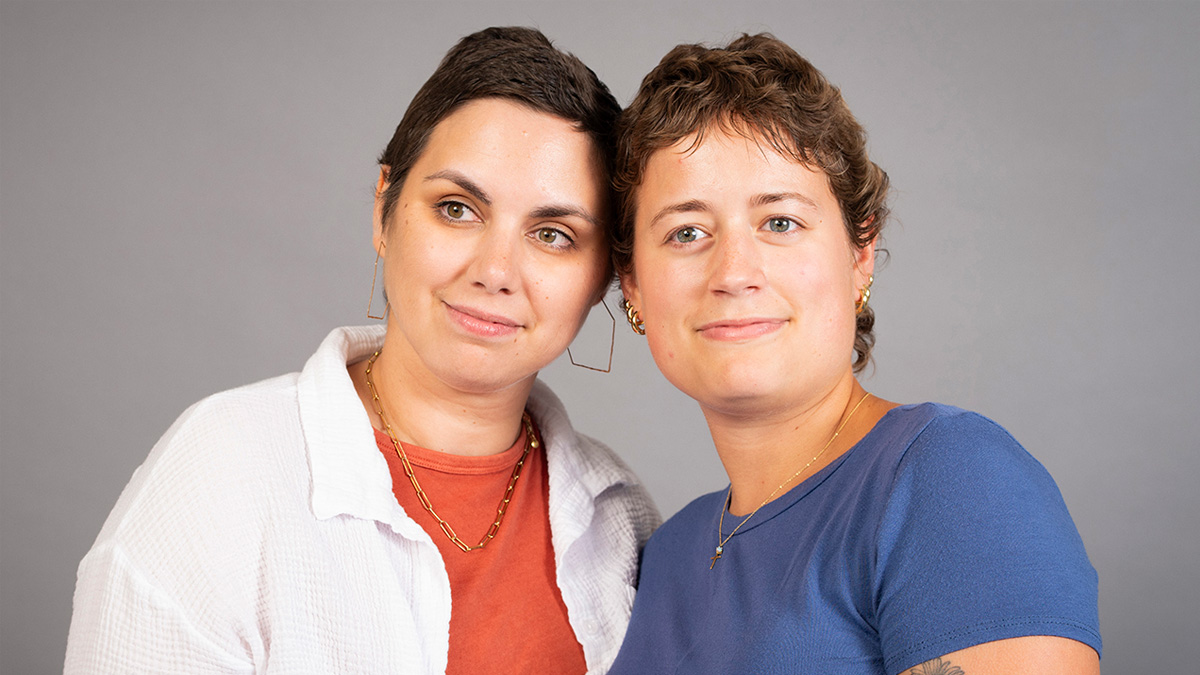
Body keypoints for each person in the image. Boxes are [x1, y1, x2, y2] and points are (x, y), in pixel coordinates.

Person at [65, 27, 658, 674]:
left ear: (606, 274)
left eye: (552, 233)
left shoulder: (622, 519)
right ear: (385, 210)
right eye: (457, 209)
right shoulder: (223, 474)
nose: (496, 270)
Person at [607, 34, 1099, 674]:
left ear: (859, 256)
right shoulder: (664, 552)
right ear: (634, 285)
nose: (734, 272)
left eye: (780, 222)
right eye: (687, 232)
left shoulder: (950, 481)